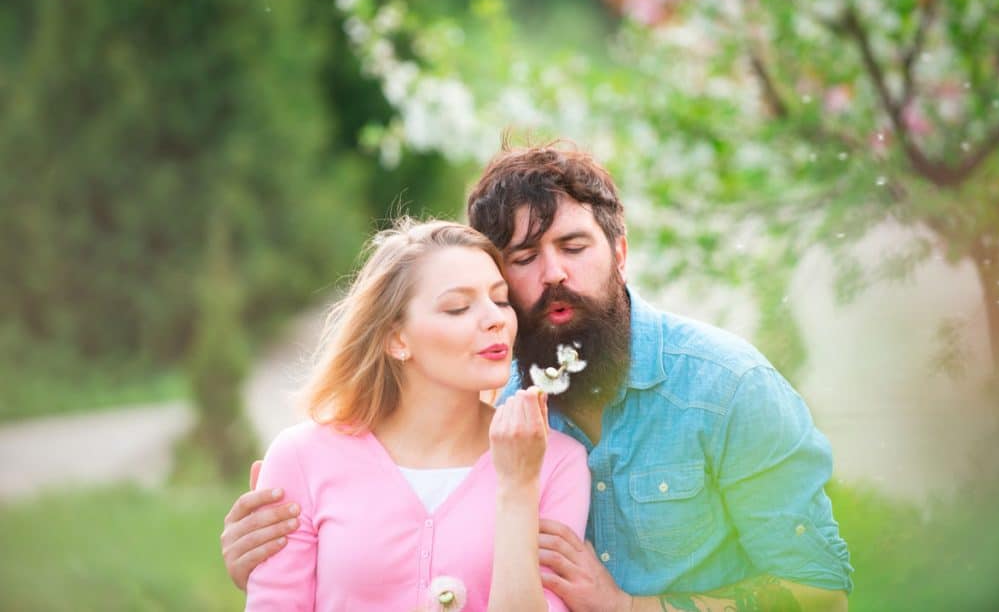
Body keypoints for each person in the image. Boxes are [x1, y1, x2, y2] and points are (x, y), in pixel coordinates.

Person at [222, 141, 853, 611]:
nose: (553, 273)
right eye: (524, 258)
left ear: (620, 252)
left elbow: (820, 595)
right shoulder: (491, 388)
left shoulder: (727, 389)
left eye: (574, 248)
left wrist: (633, 609)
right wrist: (276, 552)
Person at [242, 218, 590, 611]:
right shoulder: (301, 458)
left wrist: (517, 487)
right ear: (396, 338)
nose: (495, 319)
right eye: (458, 307)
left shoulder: (556, 463)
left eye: (501, 300)